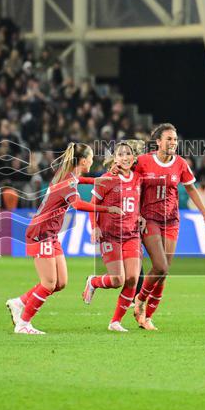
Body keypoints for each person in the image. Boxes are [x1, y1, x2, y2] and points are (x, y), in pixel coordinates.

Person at [6, 143, 122, 335]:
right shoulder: (68, 181)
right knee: (48, 283)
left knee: (60, 283)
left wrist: (102, 180)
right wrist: (106, 209)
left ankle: (19, 303)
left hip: (50, 234)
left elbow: (80, 180)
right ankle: (23, 324)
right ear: (84, 161)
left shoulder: (67, 173)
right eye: (91, 158)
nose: (93, 162)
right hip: (41, 233)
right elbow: (77, 204)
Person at [133, 124, 205, 330]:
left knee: (164, 272)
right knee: (160, 265)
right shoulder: (143, 162)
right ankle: (140, 300)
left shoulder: (180, 164)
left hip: (171, 221)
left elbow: (191, 188)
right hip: (149, 219)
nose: (173, 143)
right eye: (169, 139)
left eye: (175, 139)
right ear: (158, 142)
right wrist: (135, 214)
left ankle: (148, 317)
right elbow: (130, 185)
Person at [81, 142, 145, 332]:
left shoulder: (139, 179)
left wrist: (140, 215)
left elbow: (136, 202)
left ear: (133, 158)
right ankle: (93, 281)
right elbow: (92, 204)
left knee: (132, 278)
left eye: (128, 154)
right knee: (117, 279)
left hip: (132, 235)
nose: (125, 157)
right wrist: (95, 227)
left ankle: (115, 322)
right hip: (110, 235)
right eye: (121, 154)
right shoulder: (107, 179)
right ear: (115, 159)